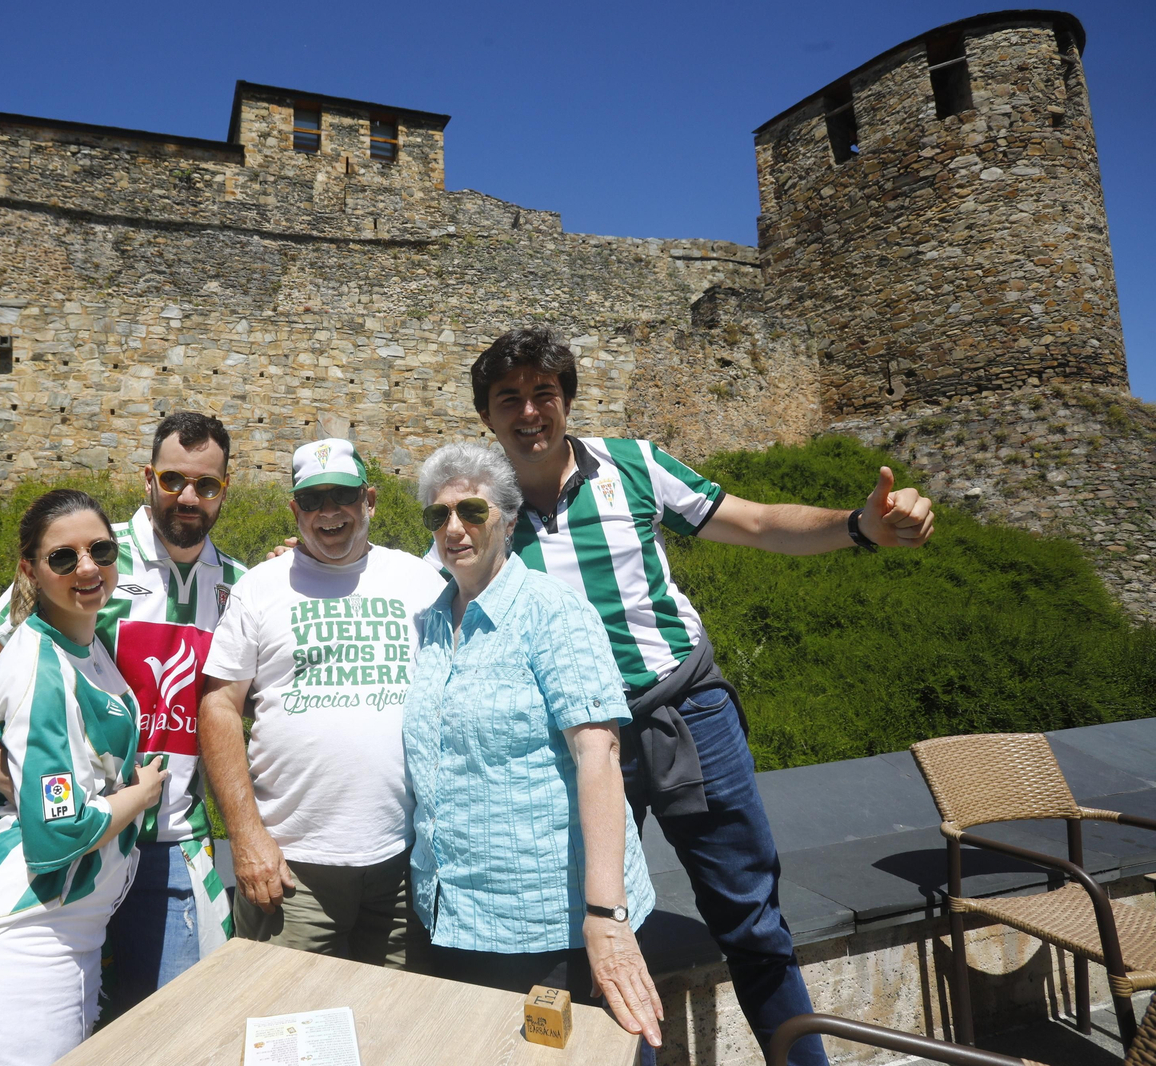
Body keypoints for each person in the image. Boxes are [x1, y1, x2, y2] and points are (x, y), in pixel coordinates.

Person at [468, 328, 934, 1066]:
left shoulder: (634, 463)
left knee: (752, 920)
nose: (530, 412)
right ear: (487, 418)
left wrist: (859, 526)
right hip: (575, 747)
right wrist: (309, 561)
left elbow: (752, 522)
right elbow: (428, 597)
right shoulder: (480, 506)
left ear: (567, 401)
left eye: (543, 394)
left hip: (689, 713)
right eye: (509, 399)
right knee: (594, 932)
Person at [0, 411, 247, 1009]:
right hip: (81, 832)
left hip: (171, 839)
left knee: (168, 1022)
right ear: (148, 478)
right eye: (173, 480)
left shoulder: (240, 582)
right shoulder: (89, 553)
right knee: (68, 1018)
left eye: (206, 485)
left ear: (223, 490)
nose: (188, 496)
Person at [405, 442, 664, 1060]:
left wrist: (607, 916)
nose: (454, 528)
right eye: (437, 516)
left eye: (472, 510)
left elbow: (598, 756)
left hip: (547, 928)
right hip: (451, 914)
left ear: (509, 518)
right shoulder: (433, 622)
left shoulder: (554, 615)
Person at [0, 489, 169, 1066]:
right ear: (30, 571)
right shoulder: (40, 663)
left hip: (65, 935)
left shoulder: (82, 643)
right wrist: (140, 795)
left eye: (101, 550)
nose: (87, 568)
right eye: (63, 558)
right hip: (24, 943)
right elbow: (56, 834)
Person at [198, 438, 445, 967]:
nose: (329, 512)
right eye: (313, 500)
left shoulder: (421, 582)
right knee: (284, 1023)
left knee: (393, 1026)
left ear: (370, 501)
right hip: (291, 864)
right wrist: (245, 838)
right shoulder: (261, 587)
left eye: (343, 496)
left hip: (403, 861)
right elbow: (219, 706)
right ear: (295, 509)